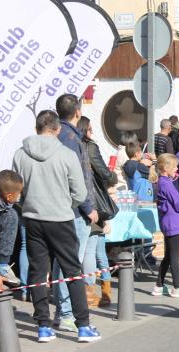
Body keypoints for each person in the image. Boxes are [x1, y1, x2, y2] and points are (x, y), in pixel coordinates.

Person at [13, 110, 101, 343]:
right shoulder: (66, 154)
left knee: (38, 271)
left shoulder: (20, 154)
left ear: (36, 128)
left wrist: (28, 204)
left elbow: (17, 189)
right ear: (57, 129)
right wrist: (66, 203)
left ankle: (43, 325)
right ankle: (83, 325)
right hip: (61, 218)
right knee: (72, 271)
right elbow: (81, 192)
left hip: (32, 217)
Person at [54, 94, 98, 333]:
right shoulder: (72, 138)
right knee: (71, 262)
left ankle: (63, 311)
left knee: (62, 262)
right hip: (73, 208)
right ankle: (67, 313)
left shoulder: (57, 134)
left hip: (60, 207)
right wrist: (88, 208)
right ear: (78, 112)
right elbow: (78, 178)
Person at [79, 117, 118, 307]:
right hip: (90, 202)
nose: (92, 133)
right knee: (92, 249)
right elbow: (103, 172)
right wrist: (113, 176)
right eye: (91, 129)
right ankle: (93, 291)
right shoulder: (88, 147)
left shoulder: (67, 143)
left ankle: (97, 291)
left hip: (72, 203)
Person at [152, 154, 179, 297]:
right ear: (166, 168)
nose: (177, 168)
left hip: (168, 223)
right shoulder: (167, 185)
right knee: (174, 256)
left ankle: (159, 285)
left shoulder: (163, 182)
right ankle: (177, 287)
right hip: (173, 223)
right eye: (175, 166)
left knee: (168, 255)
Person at [0, 171, 23, 287]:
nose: (20, 196)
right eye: (19, 193)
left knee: (11, 215)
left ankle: (2, 265)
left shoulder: (1, 207)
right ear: (9, 196)